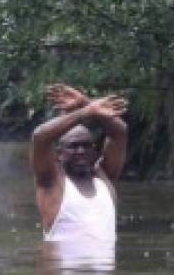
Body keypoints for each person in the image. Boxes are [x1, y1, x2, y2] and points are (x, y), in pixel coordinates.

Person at [30, 83, 128, 243]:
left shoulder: (104, 177)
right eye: (73, 146)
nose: (81, 151)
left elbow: (120, 132)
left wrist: (85, 102)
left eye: (86, 145)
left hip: (104, 260)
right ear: (59, 154)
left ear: (95, 151)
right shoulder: (50, 181)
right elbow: (40, 137)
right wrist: (86, 111)